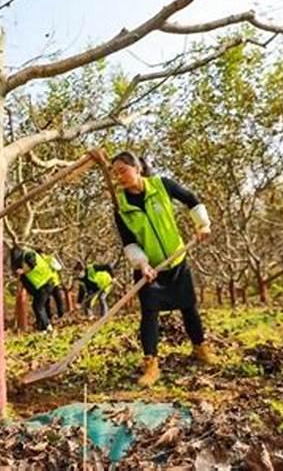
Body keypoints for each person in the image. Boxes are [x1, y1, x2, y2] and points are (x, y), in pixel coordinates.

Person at [111, 151, 213, 388]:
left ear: (137, 168)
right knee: (149, 314)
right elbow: (129, 241)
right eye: (115, 173)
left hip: (176, 260)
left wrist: (203, 224)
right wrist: (142, 264)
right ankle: (151, 365)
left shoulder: (162, 185)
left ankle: (200, 348)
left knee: (189, 307)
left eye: (123, 170)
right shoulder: (121, 206)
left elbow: (191, 199)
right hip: (150, 268)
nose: (120, 177)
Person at [10, 246, 55, 332]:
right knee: (38, 306)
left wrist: (23, 271)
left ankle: (47, 326)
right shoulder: (26, 257)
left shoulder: (29, 254)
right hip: (42, 285)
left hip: (45, 283)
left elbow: (32, 265)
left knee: (38, 306)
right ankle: (43, 327)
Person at [38, 249, 66, 320]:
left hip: (45, 284)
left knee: (47, 302)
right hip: (53, 282)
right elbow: (59, 267)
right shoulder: (50, 259)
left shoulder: (39, 261)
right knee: (58, 300)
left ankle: (49, 317)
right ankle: (61, 316)